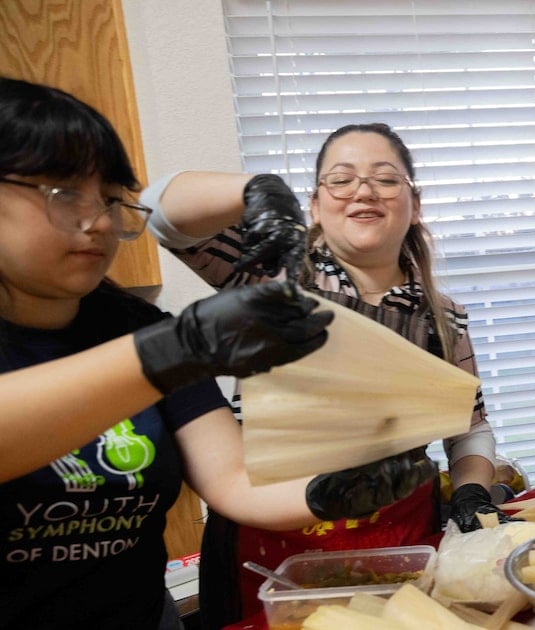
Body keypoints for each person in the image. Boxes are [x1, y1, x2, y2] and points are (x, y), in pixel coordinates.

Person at [0, 78, 437, 630]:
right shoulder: (173, 337)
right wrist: (256, 187)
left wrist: (330, 495)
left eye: (110, 198)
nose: (102, 222)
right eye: (64, 193)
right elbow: (166, 211)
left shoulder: (137, 327)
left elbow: (231, 477)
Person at [140, 122, 512, 627]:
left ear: (414, 204)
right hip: (275, 538)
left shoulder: (441, 318)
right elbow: (160, 212)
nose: (364, 190)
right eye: (341, 179)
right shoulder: (269, 276)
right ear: (315, 205)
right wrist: (254, 190)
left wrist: (472, 487)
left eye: (386, 179)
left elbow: (469, 429)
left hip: (399, 536)